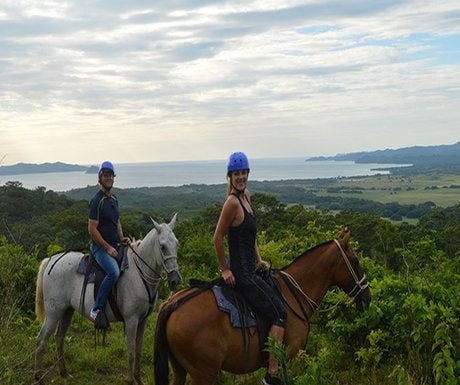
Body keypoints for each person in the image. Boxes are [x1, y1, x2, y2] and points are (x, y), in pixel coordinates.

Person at [213, 152, 286, 385]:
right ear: (230, 176)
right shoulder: (232, 202)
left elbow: (250, 236)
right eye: (237, 174)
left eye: (244, 172)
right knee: (279, 313)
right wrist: (225, 270)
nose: (241, 177)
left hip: (251, 268)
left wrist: (259, 258)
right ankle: (271, 374)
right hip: (242, 275)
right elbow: (217, 237)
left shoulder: (247, 197)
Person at [88, 160, 130, 322]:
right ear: (100, 177)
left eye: (110, 175)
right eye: (105, 175)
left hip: (114, 245)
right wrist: (106, 247)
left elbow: (116, 221)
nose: (108, 178)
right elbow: (92, 229)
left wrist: (121, 238)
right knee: (113, 272)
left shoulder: (114, 200)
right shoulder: (96, 201)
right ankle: (96, 309)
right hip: (99, 248)